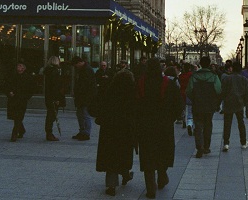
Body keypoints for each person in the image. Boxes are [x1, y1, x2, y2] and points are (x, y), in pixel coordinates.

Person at [136, 57, 183, 198]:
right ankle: (162, 175)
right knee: (163, 151)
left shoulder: (140, 83)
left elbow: (135, 104)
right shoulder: (169, 84)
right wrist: (171, 118)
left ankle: (150, 188)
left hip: (146, 125)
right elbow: (178, 104)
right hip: (164, 125)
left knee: (148, 155)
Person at [96, 66, 136, 196]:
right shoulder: (132, 94)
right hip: (126, 128)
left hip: (110, 128)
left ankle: (111, 185)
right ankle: (125, 173)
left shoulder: (109, 91)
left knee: (111, 155)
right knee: (123, 153)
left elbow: (98, 107)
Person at [186, 56, 222, 158]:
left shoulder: (194, 76)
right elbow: (218, 90)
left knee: (198, 126)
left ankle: (199, 147)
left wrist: (195, 98)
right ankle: (206, 147)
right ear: (209, 64)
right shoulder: (214, 76)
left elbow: (188, 91)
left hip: (197, 104)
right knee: (208, 125)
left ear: (200, 64)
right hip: (209, 105)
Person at [221, 62, 248, 151]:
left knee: (227, 124)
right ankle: (243, 142)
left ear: (232, 69)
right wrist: (244, 102)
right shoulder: (244, 79)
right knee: (241, 123)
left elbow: (222, 91)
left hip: (228, 103)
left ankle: (226, 143)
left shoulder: (227, 79)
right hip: (239, 103)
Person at [6, 62, 34, 142]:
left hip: (22, 99)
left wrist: (26, 97)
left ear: (24, 68)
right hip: (13, 99)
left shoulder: (28, 77)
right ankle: (21, 130)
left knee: (19, 116)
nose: (19, 67)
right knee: (15, 116)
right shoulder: (12, 76)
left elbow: (31, 89)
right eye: (18, 65)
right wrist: (9, 92)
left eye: (21, 66)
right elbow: (7, 85)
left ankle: (14, 133)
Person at [72, 57, 96, 141]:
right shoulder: (84, 69)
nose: (75, 67)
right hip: (82, 97)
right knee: (80, 115)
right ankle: (82, 131)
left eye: (76, 65)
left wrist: (78, 93)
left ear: (79, 63)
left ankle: (86, 133)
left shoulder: (87, 70)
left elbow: (85, 86)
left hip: (85, 97)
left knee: (85, 115)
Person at [44, 56, 66, 141]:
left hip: (49, 97)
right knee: (51, 115)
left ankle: (48, 132)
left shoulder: (49, 71)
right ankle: (49, 133)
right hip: (53, 97)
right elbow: (55, 87)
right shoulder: (54, 71)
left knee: (50, 115)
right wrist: (57, 99)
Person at [178, 62, 194, 136]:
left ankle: (184, 119)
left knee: (183, 108)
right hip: (189, 93)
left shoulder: (181, 76)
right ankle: (190, 124)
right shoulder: (191, 75)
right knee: (190, 110)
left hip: (182, 93)